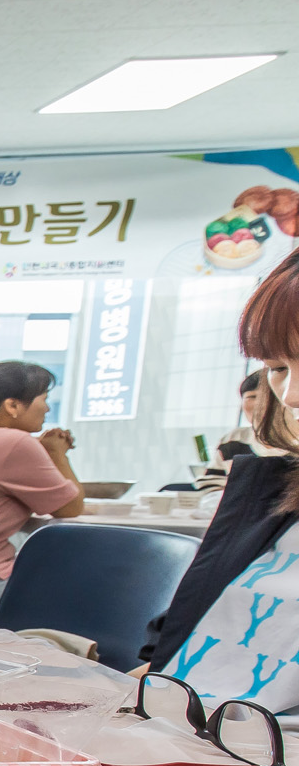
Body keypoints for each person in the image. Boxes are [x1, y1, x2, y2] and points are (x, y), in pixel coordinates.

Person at [142, 249, 299, 707]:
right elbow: (178, 641)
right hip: (199, 735)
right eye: (278, 368)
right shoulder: (270, 496)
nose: (291, 396)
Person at [0, 362, 85, 602]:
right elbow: (71, 507)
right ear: (12, 405)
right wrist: (58, 453)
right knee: (85, 593)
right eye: (43, 399)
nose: (46, 408)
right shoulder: (15, 442)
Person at [198, 370, 281, 490]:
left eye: (269, 397)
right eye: (252, 397)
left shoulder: (294, 445)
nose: (260, 404)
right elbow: (210, 486)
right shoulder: (233, 439)